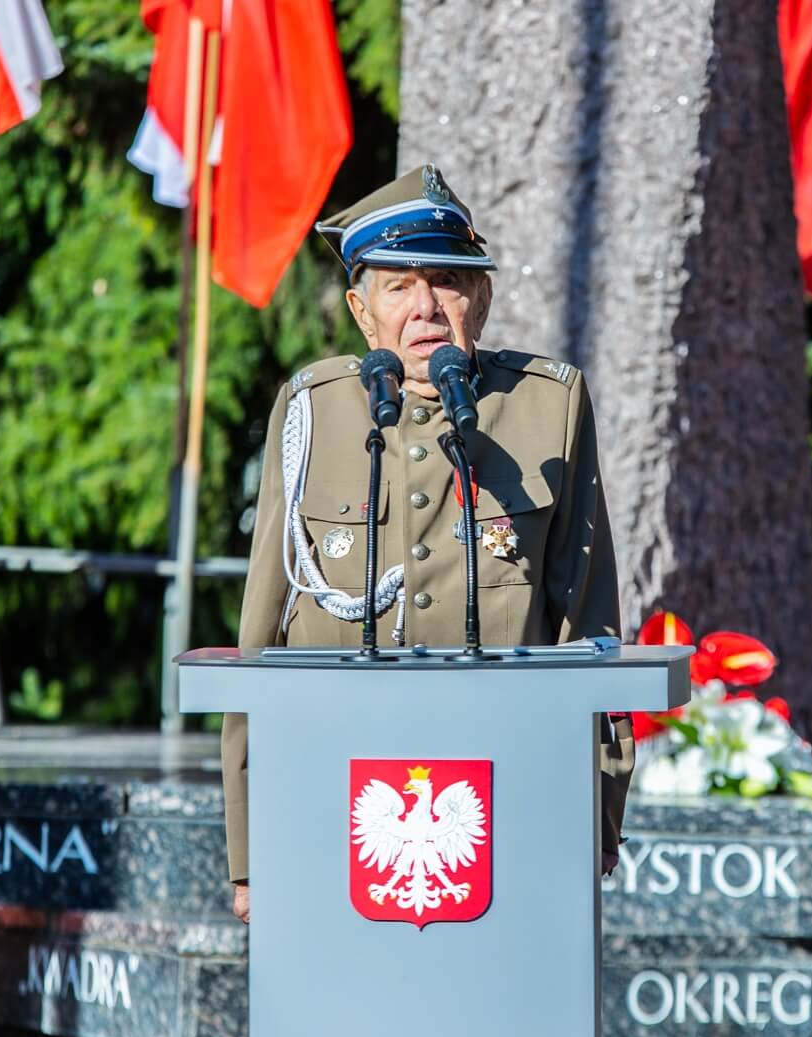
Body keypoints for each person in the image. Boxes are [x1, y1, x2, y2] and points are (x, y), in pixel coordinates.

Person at [222, 163, 632, 923]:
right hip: (330, 786)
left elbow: (589, 622)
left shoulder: (546, 407)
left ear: (482, 298)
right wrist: (250, 849)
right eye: (398, 287)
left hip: (511, 785)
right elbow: (262, 639)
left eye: (447, 281)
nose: (425, 308)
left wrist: (599, 811)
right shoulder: (313, 411)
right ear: (361, 311)